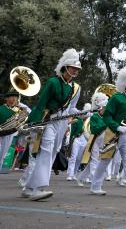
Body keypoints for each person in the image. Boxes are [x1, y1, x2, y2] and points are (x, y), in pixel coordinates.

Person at [22, 49, 83, 201]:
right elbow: (41, 103)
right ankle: (38, 188)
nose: (75, 71)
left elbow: (71, 108)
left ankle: (29, 187)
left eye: (77, 69)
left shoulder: (76, 88)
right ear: (65, 67)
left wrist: (83, 113)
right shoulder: (53, 82)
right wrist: (34, 123)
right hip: (49, 119)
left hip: (62, 122)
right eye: (73, 67)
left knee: (54, 151)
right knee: (47, 151)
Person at [89, 67, 126, 197]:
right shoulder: (116, 98)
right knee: (105, 159)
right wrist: (116, 127)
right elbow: (107, 116)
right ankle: (95, 185)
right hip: (113, 132)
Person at [76, 91, 109, 186]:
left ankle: (81, 178)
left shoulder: (106, 117)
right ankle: (95, 181)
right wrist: (105, 125)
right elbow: (95, 129)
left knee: (93, 162)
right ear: (100, 108)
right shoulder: (94, 116)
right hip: (95, 140)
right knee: (95, 161)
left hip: (103, 141)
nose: (105, 109)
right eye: (104, 108)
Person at [0, 90, 30, 167]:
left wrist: (22, 105)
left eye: (15, 97)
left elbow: (29, 114)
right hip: (1, 133)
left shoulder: (19, 110)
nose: (14, 99)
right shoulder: (1, 108)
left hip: (9, 135)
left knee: (2, 156)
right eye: (11, 97)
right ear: (6, 99)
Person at [66, 103, 92, 181]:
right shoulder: (77, 121)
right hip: (76, 139)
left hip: (85, 140)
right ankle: (70, 174)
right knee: (73, 157)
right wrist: (70, 141)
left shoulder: (89, 122)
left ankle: (74, 174)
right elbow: (71, 132)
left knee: (79, 158)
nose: (86, 116)